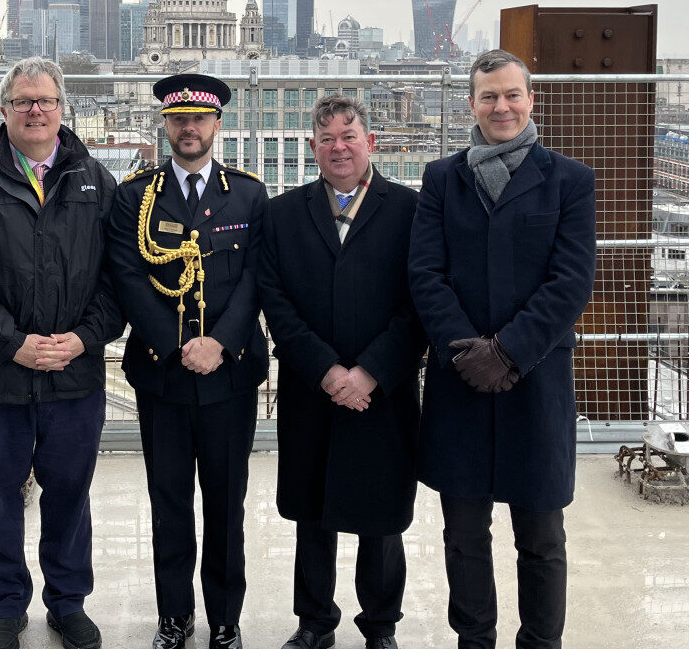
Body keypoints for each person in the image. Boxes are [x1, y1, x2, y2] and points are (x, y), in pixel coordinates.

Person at [409, 49, 596, 649]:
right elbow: (425, 275)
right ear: (472, 104)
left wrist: (508, 353)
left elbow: (571, 283)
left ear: (531, 100)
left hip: (533, 379)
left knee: (541, 535)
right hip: (462, 378)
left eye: (512, 94)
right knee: (464, 532)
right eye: (488, 96)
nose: (501, 106)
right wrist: (469, 351)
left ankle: (541, 643)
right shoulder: (442, 179)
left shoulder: (570, 180)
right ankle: (475, 640)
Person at [0, 56, 122, 649]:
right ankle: (6, 605)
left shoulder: (96, 179)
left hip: (74, 369)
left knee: (70, 492)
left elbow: (117, 280)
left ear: (62, 107)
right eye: (23, 102)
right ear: (5, 110)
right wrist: (14, 344)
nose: (35, 110)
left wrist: (83, 338)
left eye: (45, 101)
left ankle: (67, 603)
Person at [106, 73, 268, 649]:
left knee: (227, 505)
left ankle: (225, 618)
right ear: (166, 126)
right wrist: (177, 348)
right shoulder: (135, 195)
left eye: (200, 119)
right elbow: (127, 276)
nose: (190, 129)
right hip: (162, 374)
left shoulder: (248, 193)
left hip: (230, 374)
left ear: (217, 125)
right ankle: (174, 617)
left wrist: (219, 343)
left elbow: (255, 279)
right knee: (168, 502)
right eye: (179, 120)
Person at [258, 94, 424, 649]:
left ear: (370, 143)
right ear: (312, 149)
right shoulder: (283, 214)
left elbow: (418, 304)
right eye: (326, 138)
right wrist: (327, 371)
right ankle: (314, 621)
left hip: (385, 390)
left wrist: (369, 373)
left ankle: (380, 625)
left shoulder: (409, 211)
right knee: (313, 508)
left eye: (349, 136)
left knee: (380, 516)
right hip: (313, 388)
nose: (339, 147)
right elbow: (275, 301)